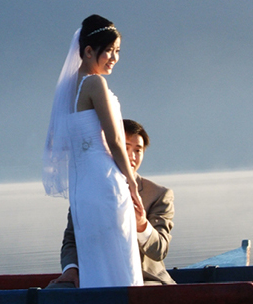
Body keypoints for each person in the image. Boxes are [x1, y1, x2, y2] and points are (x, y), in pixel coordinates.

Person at [42, 14, 143, 287]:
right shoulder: (94, 83)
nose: (114, 57)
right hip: (105, 182)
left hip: (82, 189)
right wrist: (132, 182)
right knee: (120, 255)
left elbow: (57, 143)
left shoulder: (67, 87)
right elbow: (115, 140)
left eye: (117, 51)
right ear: (88, 51)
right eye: (108, 50)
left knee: (94, 257)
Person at [50, 119, 175, 287]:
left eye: (137, 150)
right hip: (93, 277)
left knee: (142, 295)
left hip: (146, 281)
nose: (131, 156)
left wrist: (142, 225)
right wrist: (71, 270)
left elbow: (160, 250)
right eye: (125, 147)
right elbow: (71, 240)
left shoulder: (159, 195)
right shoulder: (85, 191)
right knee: (55, 291)